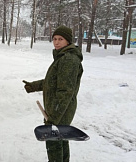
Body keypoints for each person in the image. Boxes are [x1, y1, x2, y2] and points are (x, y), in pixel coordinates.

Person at [23, 25, 83, 162]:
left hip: (60, 110)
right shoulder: (63, 57)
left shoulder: (68, 59)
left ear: (68, 41)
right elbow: (53, 82)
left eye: (60, 39)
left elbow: (65, 91)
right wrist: (34, 86)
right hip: (60, 108)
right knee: (61, 140)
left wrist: (54, 118)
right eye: (54, 39)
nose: (56, 42)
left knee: (54, 142)